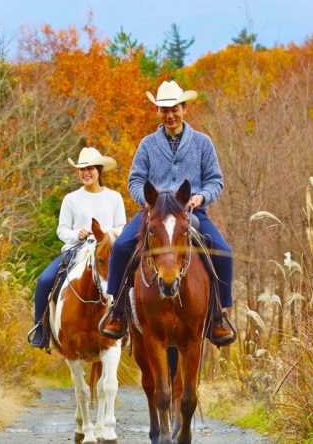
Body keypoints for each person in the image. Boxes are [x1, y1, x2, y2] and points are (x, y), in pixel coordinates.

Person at [98, 80, 237, 346]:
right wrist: (147, 202)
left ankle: (219, 316)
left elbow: (215, 180)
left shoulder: (203, 143)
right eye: (164, 110)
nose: (170, 115)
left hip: (191, 213)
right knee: (122, 246)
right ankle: (117, 310)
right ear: (158, 112)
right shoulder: (147, 144)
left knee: (224, 253)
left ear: (184, 109)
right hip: (154, 214)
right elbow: (135, 180)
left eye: (175, 109)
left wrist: (201, 196)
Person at [27, 144, 128, 350]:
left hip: (105, 252)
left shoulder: (114, 197)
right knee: (44, 280)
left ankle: (130, 328)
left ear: (99, 170)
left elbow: (122, 227)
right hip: (77, 251)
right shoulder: (71, 199)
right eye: (82, 169)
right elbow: (62, 230)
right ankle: (41, 329)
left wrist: (105, 235)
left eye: (90, 168)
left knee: (129, 281)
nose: (85, 173)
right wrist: (77, 234)